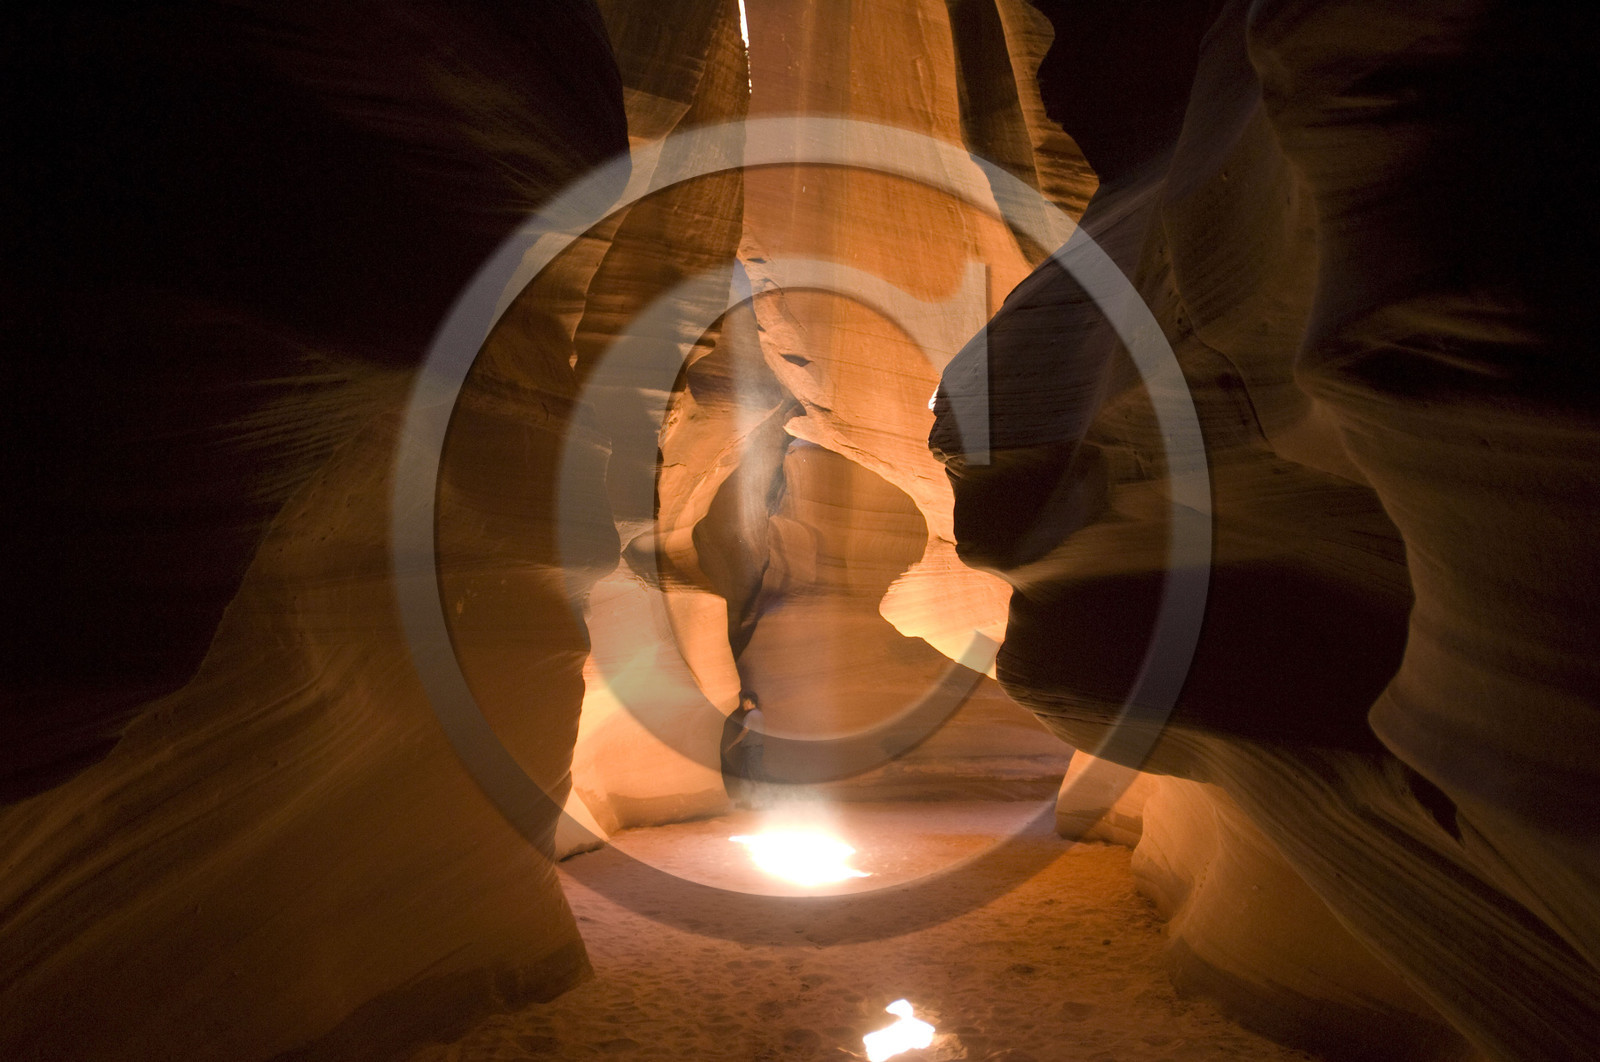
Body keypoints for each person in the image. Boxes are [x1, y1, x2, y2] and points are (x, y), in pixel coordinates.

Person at [722, 689, 766, 805]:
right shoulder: (759, 714)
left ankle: (762, 801)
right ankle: (747, 801)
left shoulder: (750, 716)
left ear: (749, 702)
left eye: (744, 702)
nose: (742, 704)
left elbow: (744, 732)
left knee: (754, 775)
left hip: (752, 749)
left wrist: (731, 744)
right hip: (756, 748)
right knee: (746, 775)